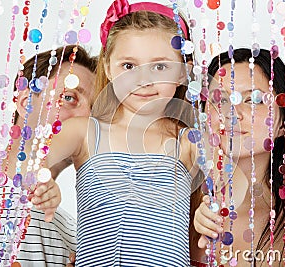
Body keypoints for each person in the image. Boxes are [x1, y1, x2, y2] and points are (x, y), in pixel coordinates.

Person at [43, 0, 199, 265]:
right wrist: (45, 183)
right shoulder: (84, 132)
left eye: (160, 67)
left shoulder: (188, 142)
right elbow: (32, 165)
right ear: (107, 68)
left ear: (184, 73)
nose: (143, 80)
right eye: (128, 66)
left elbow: (229, 197)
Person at [190, 49, 285, 266]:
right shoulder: (180, 202)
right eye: (220, 99)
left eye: (254, 100)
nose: (233, 112)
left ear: (282, 123)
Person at [0, 45, 97, 266]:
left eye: (96, 110)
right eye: (69, 97)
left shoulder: (78, 241)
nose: (86, 117)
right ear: (26, 102)